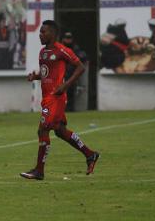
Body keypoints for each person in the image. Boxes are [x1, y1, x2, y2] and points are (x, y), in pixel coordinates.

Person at [20, 20, 99, 181]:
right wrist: (35, 76)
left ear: (53, 34)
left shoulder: (62, 50)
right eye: (40, 32)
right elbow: (47, 73)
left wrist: (66, 85)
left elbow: (80, 67)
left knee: (43, 130)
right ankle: (90, 154)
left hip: (55, 98)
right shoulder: (43, 52)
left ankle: (39, 171)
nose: (40, 35)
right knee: (60, 131)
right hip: (47, 96)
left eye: (43, 32)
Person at [61, 31, 87, 112]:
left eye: (70, 39)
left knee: (70, 92)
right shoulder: (59, 48)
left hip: (71, 74)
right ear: (63, 39)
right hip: (60, 74)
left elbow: (83, 57)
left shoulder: (75, 49)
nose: (68, 40)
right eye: (67, 38)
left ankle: (69, 109)